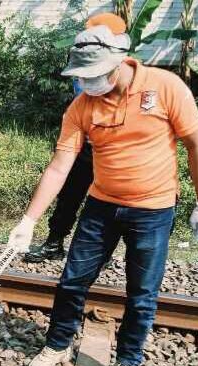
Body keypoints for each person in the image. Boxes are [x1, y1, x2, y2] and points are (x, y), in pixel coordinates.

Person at [8, 25, 198, 366]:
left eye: (93, 74)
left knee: (141, 294)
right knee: (72, 280)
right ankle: (56, 343)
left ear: (117, 63)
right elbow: (60, 166)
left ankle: (127, 364)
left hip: (153, 211)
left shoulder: (165, 87)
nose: (86, 83)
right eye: (81, 76)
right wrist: (28, 220)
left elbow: (196, 146)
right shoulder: (82, 105)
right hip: (100, 206)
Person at [24, 13, 127, 263]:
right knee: (69, 195)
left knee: (111, 205)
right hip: (82, 145)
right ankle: (54, 243)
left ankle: (103, 255)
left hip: (113, 151)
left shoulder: (121, 67)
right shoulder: (82, 61)